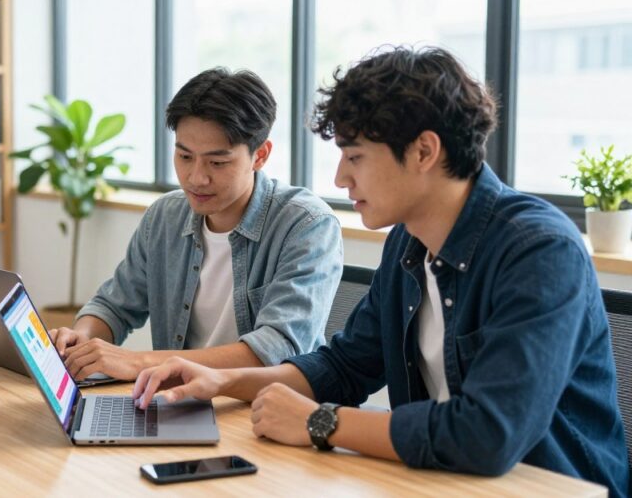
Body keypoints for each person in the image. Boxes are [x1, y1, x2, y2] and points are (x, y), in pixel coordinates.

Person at [131, 47, 628, 496]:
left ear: (424, 151)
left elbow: (488, 434)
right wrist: (221, 382)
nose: (340, 177)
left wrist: (321, 422)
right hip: (442, 481)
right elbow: (346, 367)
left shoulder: (538, 251)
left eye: (355, 157)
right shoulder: (407, 244)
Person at [51, 68, 343, 381]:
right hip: (177, 404)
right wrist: (81, 338)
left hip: (262, 410)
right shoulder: (165, 217)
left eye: (217, 162)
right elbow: (114, 305)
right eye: (185, 157)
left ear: (260, 155)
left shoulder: (307, 226)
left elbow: (275, 349)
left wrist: (139, 362)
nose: (196, 178)